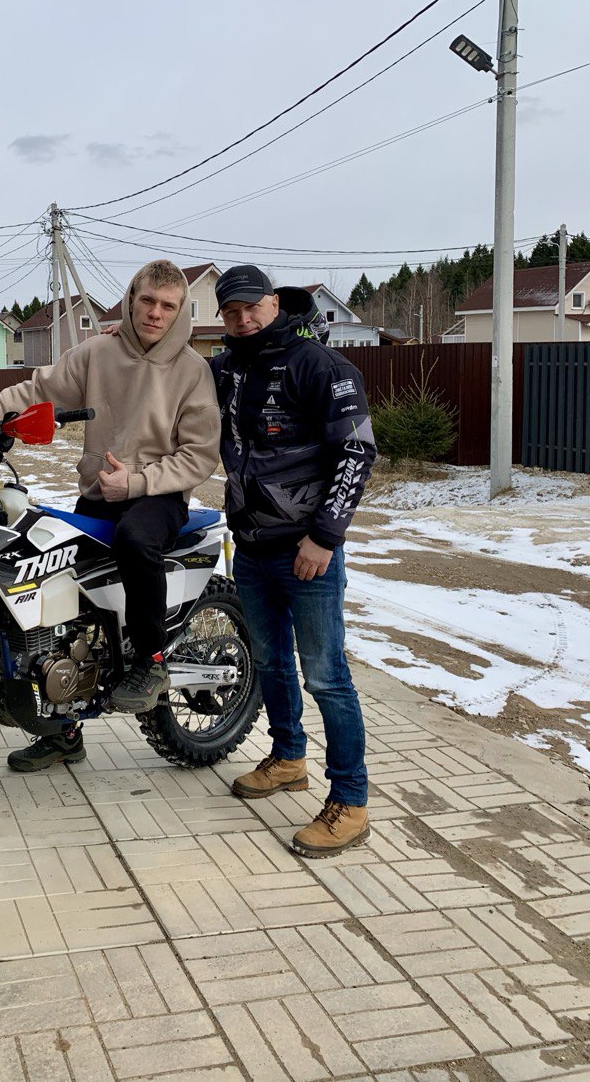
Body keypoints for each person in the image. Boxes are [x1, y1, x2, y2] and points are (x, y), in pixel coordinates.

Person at [0, 259, 220, 771]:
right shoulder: (98, 352)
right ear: (131, 299)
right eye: (147, 300)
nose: (155, 313)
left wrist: (138, 482)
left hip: (158, 496)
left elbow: (200, 456)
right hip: (100, 491)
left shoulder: (193, 371)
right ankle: (63, 731)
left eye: (168, 306)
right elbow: (36, 390)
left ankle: (151, 661)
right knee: (61, 584)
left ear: (179, 313)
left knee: (135, 540)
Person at [209, 264, 377, 857]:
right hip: (252, 547)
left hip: (308, 552)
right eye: (232, 311)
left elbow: (357, 452)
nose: (243, 319)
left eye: (252, 307)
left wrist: (324, 538)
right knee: (270, 662)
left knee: (326, 676)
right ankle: (287, 758)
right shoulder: (224, 368)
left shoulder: (322, 367)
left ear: (274, 303)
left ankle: (350, 802)